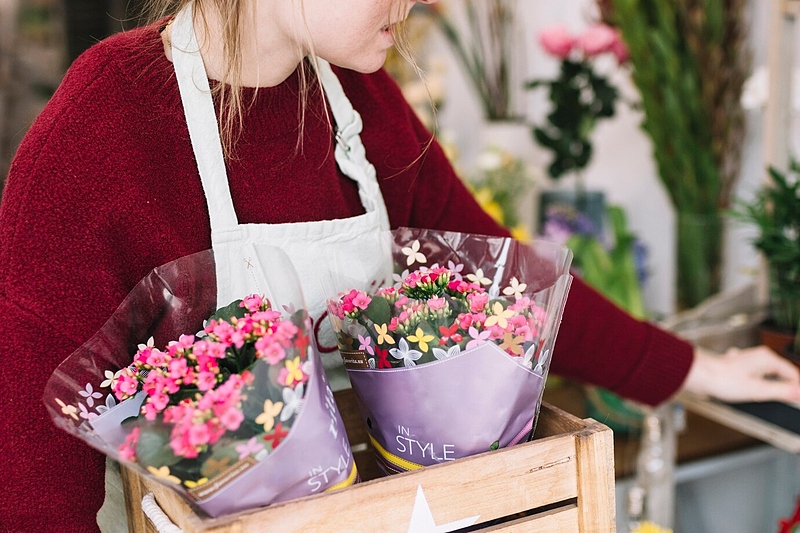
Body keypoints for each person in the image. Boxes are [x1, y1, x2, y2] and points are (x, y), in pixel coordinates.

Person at [0, 0, 797, 531]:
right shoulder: (105, 131)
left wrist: (690, 369)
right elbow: (32, 490)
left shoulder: (360, 101)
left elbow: (507, 287)